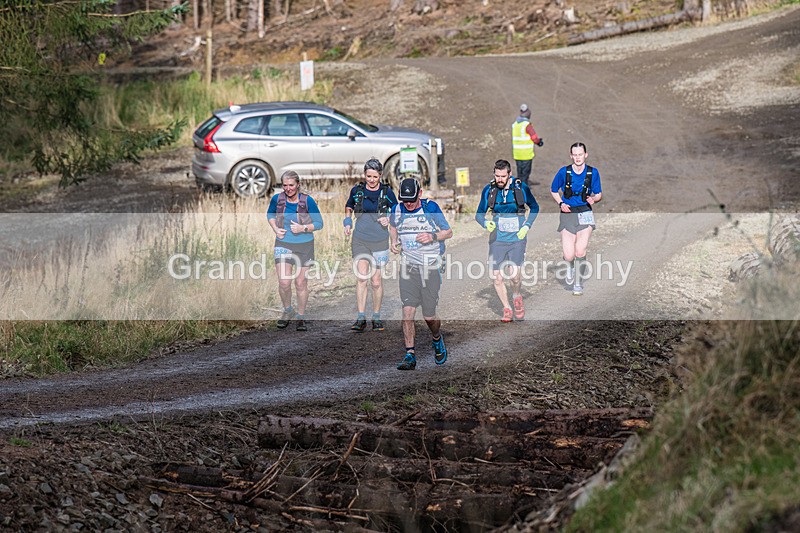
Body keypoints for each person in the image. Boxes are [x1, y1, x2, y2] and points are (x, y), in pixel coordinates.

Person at [389, 178, 453, 370]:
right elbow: (393, 225)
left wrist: (432, 236)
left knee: (429, 316)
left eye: (411, 199)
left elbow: (448, 232)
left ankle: (436, 338)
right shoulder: (397, 209)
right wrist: (393, 240)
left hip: (430, 267)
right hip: (408, 267)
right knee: (407, 312)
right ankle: (410, 355)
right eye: (404, 199)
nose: (408, 203)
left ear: (420, 193)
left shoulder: (430, 208)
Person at [475, 159, 540, 322]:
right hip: (497, 239)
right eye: (497, 176)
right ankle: (506, 307)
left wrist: (527, 226)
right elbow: (478, 214)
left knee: (514, 276)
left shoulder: (520, 188)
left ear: (509, 174)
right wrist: (485, 223)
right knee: (496, 276)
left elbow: (535, 207)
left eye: (503, 176)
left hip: (517, 238)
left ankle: (517, 296)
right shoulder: (489, 190)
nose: (500, 180)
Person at [343, 158, 398, 332]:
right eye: (369, 176)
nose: (371, 180)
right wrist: (347, 223)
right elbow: (349, 207)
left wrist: (388, 218)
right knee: (361, 277)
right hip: (360, 239)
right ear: (365, 175)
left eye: (375, 177)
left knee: (375, 281)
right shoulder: (357, 190)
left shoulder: (387, 192)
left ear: (380, 175)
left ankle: (376, 316)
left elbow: (397, 211)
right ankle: (361, 317)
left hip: (380, 240)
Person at [266, 171, 324, 330]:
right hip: (283, 243)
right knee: (284, 282)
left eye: (291, 185)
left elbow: (319, 223)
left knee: (300, 282)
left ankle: (301, 316)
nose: (288, 188)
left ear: (298, 184)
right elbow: (270, 214)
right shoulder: (277, 199)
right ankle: (287, 310)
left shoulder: (308, 201)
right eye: (285, 185)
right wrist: (275, 228)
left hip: (305, 244)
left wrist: (303, 228)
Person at [550, 142, 602, 296]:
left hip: (585, 212)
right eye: (575, 155)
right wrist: (561, 203)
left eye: (581, 154)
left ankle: (578, 283)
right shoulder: (563, 172)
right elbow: (553, 190)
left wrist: (594, 199)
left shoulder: (593, 173)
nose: (578, 157)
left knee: (580, 250)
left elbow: (599, 194)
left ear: (585, 155)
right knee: (568, 255)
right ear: (571, 155)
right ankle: (570, 267)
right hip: (568, 213)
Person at [512, 103, 544, 186]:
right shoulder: (527, 125)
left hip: (517, 153)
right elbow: (534, 137)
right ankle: (524, 188)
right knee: (526, 172)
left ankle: (520, 184)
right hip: (526, 154)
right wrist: (539, 142)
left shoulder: (515, 125)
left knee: (520, 171)